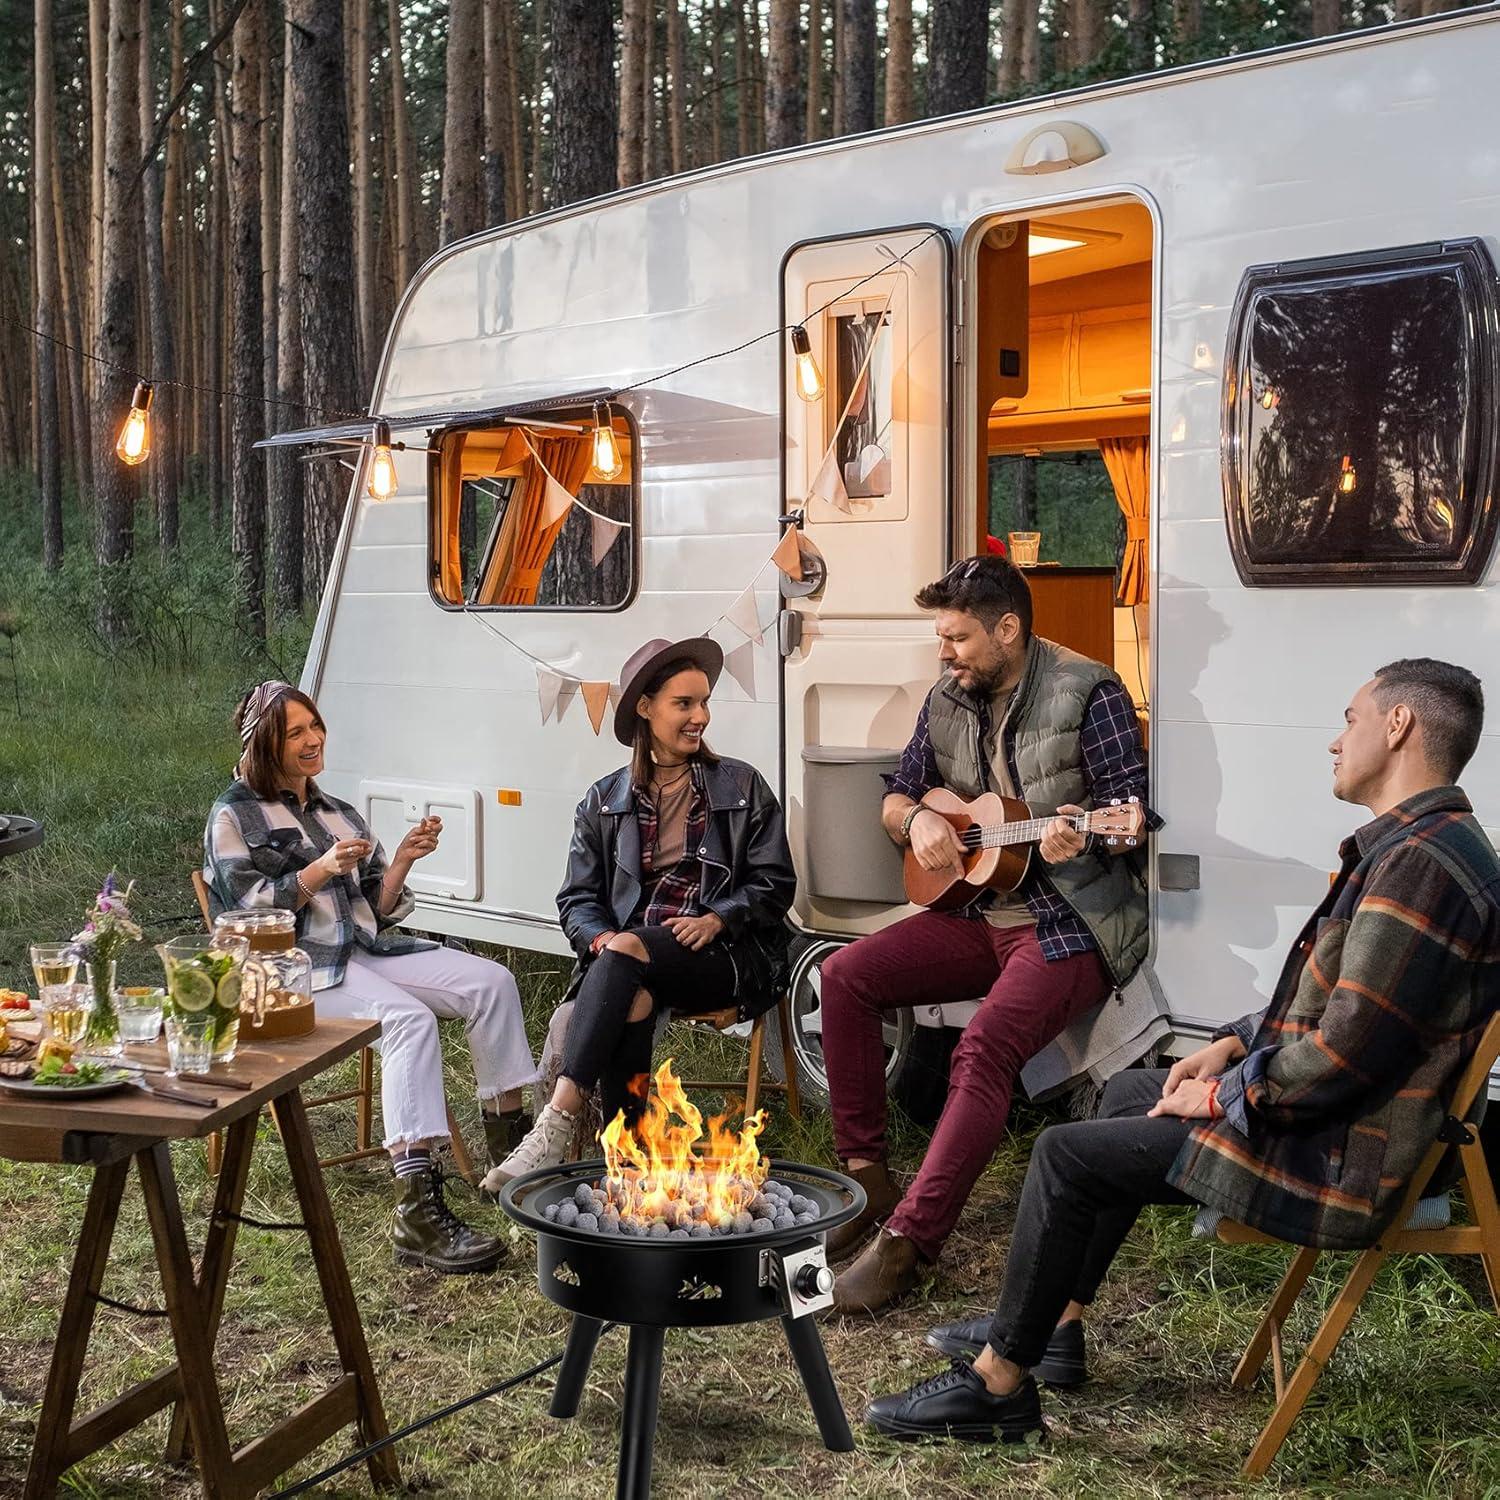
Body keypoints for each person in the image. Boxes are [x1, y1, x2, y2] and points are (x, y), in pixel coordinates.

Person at [866, 658, 1500, 1444]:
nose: (1337, 742)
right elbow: (1335, 999)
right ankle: (1053, 1328)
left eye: (1351, 719)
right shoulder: (1420, 845)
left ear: (1399, 727)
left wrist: (1229, 1093)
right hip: (1342, 1120)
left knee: (1065, 1155)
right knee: (1128, 1095)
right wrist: (1235, 1041)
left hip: (1348, 1151)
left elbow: (1344, 1055)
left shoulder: (1421, 869)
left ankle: (998, 1386)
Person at [820, 554, 1154, 1314]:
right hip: (976, 913)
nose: (946, 652)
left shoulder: (1089, 690)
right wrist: (923, 819)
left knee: (983, 1046)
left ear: (1009, 629)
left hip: (1068, 923)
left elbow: (1131, 816)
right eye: (942, 637)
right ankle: (867, 1179)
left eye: (958, 637)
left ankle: (910, 1243)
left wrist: (1090, 837)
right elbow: (898, 795)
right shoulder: (947, 695)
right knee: (845, 977)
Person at [204, 680, 538, 1275]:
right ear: (265, 745)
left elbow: (375, 910)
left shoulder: (336, 810)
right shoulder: (234, 814)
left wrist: (404, 858)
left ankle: (512, 1163)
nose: (313, 741)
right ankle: (417, 1214)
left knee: (493, 983)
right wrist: (317, 869)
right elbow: (243, 912)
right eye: (295, 733)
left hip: (362, 951)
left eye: (315, 727)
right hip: (290, 972)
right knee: (409, 1022)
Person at [483, 638, 796, 1190]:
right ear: (645, 708)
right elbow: (577, 900)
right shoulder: (603, 801)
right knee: (633, 997)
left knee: (627, 954)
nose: (700, 716)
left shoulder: (740, 785)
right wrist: (600, 939)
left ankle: (557, 1120)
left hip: (723, 954)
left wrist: (718, 916)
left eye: (704, 703)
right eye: (684, 704)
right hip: (631, 963)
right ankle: (624, 1170)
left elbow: (775, 884)